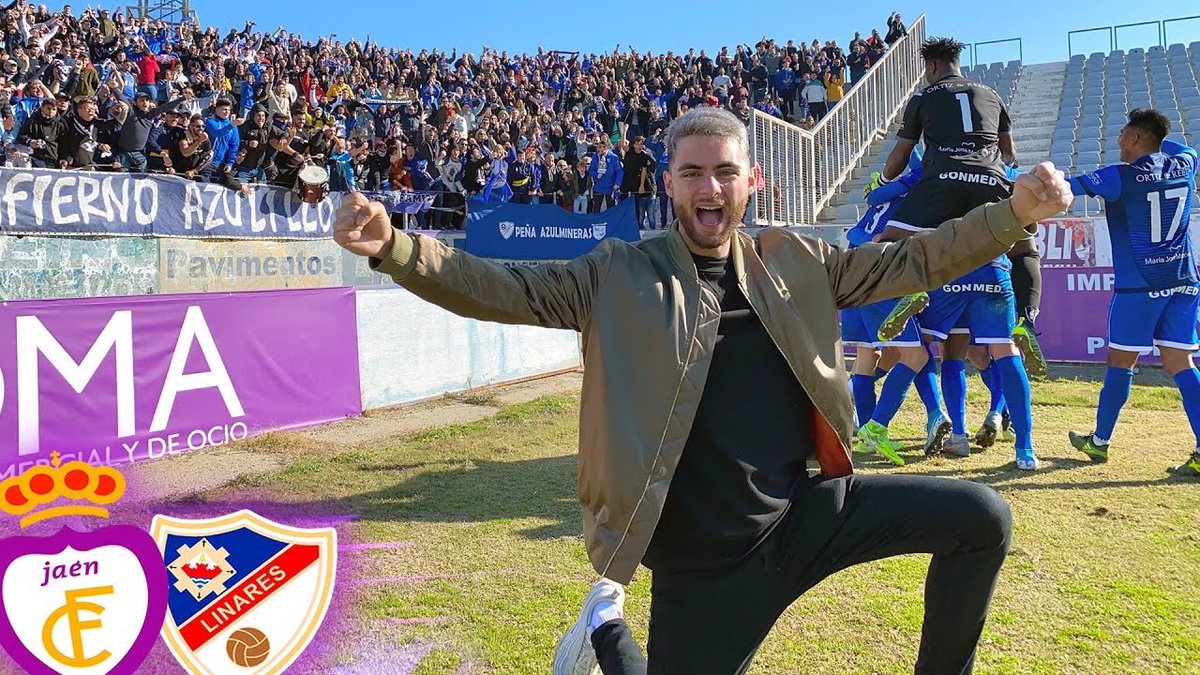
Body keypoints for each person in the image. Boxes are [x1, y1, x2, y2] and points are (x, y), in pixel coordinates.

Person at [332, 107, 1073, 675]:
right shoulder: (616, 273)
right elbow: (503, 286)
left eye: (724, 170)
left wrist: (1011, 215)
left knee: (981, 516)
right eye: (691, 172)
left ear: (753, 181)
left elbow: (917, 259)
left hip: (807, 514)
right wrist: (398, 246)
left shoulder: (799, 261)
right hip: (704, 563)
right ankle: (606, 629)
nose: (708, 187)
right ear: (668, 182)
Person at [1065, 109, 1200, 477]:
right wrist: (1157, 142)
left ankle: (1100, 442)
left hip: (1139, 286)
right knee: (1182, 365)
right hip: (1184, 281)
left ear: (1135, 138)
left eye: (1124, 132)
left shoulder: (1119, 177)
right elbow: (1183, 147)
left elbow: (1067, 188)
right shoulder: (1184, 164)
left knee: (1120, 362)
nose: (1118, 139)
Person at [620, 135, 657, 229]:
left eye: (641, 144)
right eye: (638, 144)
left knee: (638, 208)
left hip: (638, 183)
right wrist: (624, 131)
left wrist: (641, 186)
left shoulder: (644, 155)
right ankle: (625, 225)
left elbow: (644, 170)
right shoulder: (630, 152)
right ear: (634, 145)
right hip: (627, 181)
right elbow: (623, 145)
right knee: (624, 203)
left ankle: (638, 226)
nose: (640, 146)